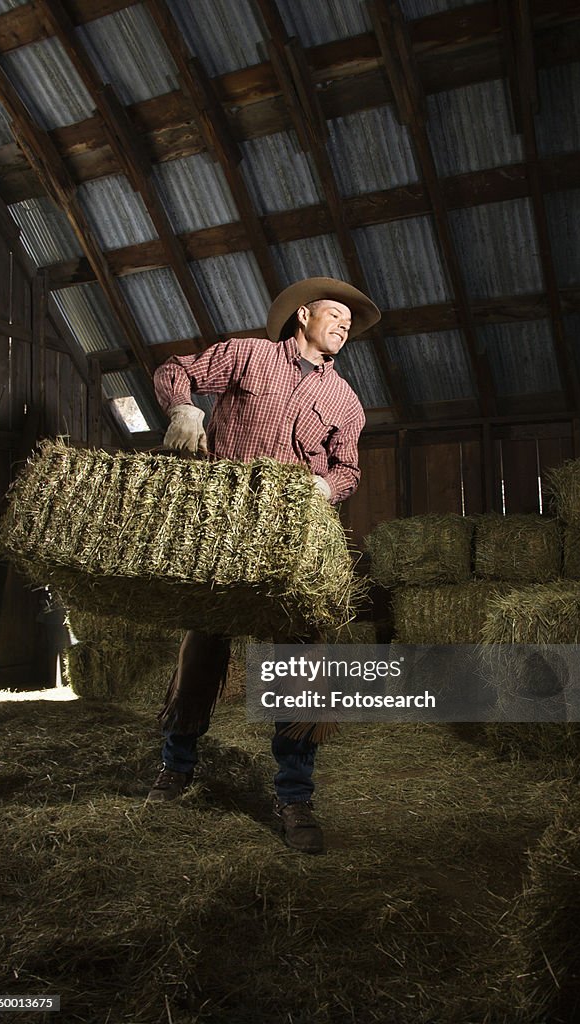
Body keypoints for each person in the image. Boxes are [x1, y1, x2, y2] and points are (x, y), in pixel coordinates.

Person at [147, 277, 380, 854]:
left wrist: (325, 488)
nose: (344, 325)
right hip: (225, 529)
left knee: (300, 656)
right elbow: (176, 369)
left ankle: (295, 797)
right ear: (302, 315)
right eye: (335, 313)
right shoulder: (247, 355)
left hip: (292, 537)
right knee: (202, 647)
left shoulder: (345, 401)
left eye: (349, 322)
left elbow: (347, 469)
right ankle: (176, 767)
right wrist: (184, 409)